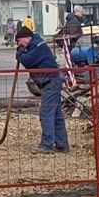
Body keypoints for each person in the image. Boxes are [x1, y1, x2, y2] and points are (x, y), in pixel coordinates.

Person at [16, 26, 69, 154]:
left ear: (28, 38)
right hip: (51, 81)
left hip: (50, 82)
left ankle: (47, 144)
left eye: (19, 41)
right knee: (56, 115)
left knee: (46, 113)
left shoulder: (37, 46)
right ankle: (62, 145)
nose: (19, 44)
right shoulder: (35, 44)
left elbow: (28, 61)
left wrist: (20, 53)